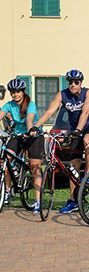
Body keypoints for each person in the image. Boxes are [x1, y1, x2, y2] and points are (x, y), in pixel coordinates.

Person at [33, 69, 89, 213]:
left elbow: (86, 111)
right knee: (72, 167)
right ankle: (73, 201)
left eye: (76, 82)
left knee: (87, 140)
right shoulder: (62, 94)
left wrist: (79, 129)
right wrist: (35, 126)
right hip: (75, 131)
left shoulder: (88, 92)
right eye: (70, 82)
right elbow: (50, 111)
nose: (73, 85)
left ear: (81, 83)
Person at [0, 79, 43, 212]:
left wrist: (31, 130)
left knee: (35, 168)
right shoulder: (9, 105)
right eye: (13, 92)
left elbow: (29, 119)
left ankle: (37, 201)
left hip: (34, 135)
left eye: (18, 92)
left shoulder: (30, 104)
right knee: (6, 159)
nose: (15, 95)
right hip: (18, 135)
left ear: (23, 92)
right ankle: (6, 191)